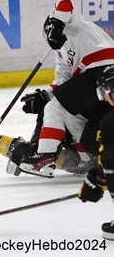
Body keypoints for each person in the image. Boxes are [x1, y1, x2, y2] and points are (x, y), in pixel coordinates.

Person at [0, 0, 114, 177]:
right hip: (91, 127)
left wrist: (57, 23)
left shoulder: (73, 22)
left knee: (57, 107)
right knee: (60, 112)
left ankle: (43, 155)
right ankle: (43, 154)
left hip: (107, 71)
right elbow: (61, 83)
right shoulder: (60, 54)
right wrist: (43, 96)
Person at [77, 65, 114, 241]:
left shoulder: (110, 122)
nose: (105, 98)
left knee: (108, 159)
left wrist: (98, 180)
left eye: (106, 91)